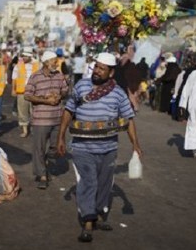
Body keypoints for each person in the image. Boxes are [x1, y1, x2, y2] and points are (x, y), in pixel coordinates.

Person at [57, 52, 142, 243]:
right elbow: (69, 110)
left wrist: (135, 144)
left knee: (104, 184)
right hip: (82, 147)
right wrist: (60, 137)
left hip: (108, 148)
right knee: (89, 182)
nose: (97, 71)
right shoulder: (81, 86)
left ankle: (98, 214)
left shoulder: (118, 93)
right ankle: (88, 221)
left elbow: (128, 120)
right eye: (96, 66)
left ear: (111, 73)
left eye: (102, 68)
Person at [24, 50, 68, 189]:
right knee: (39, 148)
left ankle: (44, 161)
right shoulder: (35, 77)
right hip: (40, 119)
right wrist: (45, 100)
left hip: (57, 118)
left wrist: (60, 95)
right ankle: (42, 175)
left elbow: (65, 90)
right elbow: (27, 95)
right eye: (54, 61)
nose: (57, 63)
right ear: (46, 62)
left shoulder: (59, 75)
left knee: (55, 148)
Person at [12, 47, 40, 137]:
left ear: (30, 56)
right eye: (22, 56)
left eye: (25, 56)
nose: (23, 57)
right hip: (21, 92)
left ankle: (34, 128)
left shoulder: (37, 65)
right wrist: (13, 89)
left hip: (34, 92)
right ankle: (25, 130)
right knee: (22, 112)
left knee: (34, 111)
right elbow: (14, 78)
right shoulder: (18, 65)